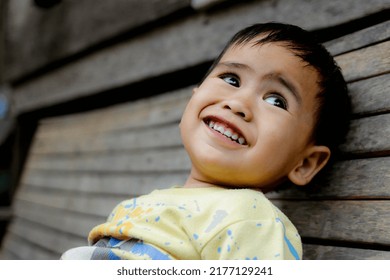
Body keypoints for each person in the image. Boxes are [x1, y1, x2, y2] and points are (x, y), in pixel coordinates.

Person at [61, 22, 350, 260]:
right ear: (195, 96)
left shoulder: (252, 221)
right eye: (232, 79)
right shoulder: (152, 202)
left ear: (305, 163)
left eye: (276, 100)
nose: (237, 104)